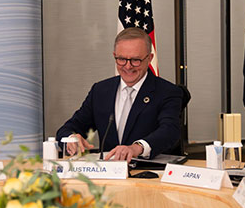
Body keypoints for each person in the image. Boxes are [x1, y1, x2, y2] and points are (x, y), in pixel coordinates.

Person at [56, 27, 183, 162]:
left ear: (149, 58)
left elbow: (170, 131)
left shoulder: (167, 92)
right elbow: (68, 128)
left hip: (148, 174)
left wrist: (136, 148)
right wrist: (71, 139)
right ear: (114, 56)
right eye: (121, 59)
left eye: (135, 60)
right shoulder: (101, 90)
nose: (128, 66)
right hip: (107, 174)